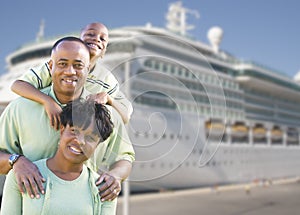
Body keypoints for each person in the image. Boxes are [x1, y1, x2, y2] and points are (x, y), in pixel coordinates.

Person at [0, 37, 135, 204]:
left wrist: (116, 176)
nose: (70, 71)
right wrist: (16, 161)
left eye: (78, 66)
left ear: (88, 69)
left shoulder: (106, 114)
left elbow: (125, 156)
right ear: (51, 66)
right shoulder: (20, 108)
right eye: (62, 64)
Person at [1, 100, 116, 215]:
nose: (80, 141)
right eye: (74, 131)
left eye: (90, 138)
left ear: (97, 146)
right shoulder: (22, 175)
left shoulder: (104, 189)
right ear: (62, 130)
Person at [11, 22, 133, 129]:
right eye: (90, 34)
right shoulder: (57, 67)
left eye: (102, 39)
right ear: (78, 41)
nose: (96, 39)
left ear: (104, 51)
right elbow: (17, 85)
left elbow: (125, 117)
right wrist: (47, 101)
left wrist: (108, 99)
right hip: (46, 123)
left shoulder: (107, 79)